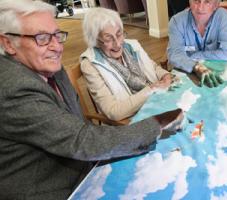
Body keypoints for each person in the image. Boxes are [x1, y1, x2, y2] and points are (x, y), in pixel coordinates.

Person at [0, 1, 182, 199]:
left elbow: (78, 127)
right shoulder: (14, 87)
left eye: (57, 35)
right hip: (56, 187)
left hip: (84, 159)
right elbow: (82, 140)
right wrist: (158, 123)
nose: (56, 47)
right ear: (8, 43)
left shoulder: (51, 67)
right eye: (42, 38)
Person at [80, 7, 173, 121]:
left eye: (119, 34)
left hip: (155, 102)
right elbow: (113, 112)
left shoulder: (131, 45)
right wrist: (151, 89)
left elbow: (152, 66)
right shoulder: (90, 65)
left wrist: (165, 75)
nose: (118, 44)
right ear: (94, 41)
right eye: (108, 39)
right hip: (131, 120)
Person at [167, 0, 227, 87]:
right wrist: (196, 66)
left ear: (216, 5)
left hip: (216, 73)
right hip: (186, 75)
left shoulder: (223, 16)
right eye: (196, 1)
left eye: (207, 2)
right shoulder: (176, 21)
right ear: (190, 2)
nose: (200, 7)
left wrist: (191, 57)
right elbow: (175, 55)